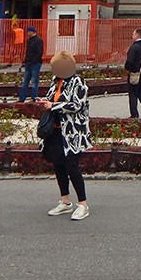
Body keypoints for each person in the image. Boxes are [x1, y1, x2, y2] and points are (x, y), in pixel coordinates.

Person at [38, 50, 92, 221]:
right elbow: (51, 97)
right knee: (58, 164)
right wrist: (44, 102)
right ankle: (65, 201)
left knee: (72, 166)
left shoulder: (79, 81)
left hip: (73, 132)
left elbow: (76, 105)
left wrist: (52, 106)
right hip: (55, 130)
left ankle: (83, 204)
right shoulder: (56, 80)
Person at [18, 25, 44, 103]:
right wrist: (25, 61)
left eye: (28, 32)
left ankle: (34, 97)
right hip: (28, 63)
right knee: (25, 80)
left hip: (35, 63)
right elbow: (28, 52)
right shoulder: (29, 40)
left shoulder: (38, 40)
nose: (27, 33)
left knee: (34, 81)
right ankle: (22, 98)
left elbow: (40, 52)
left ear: (32, 32)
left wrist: (33, 61)